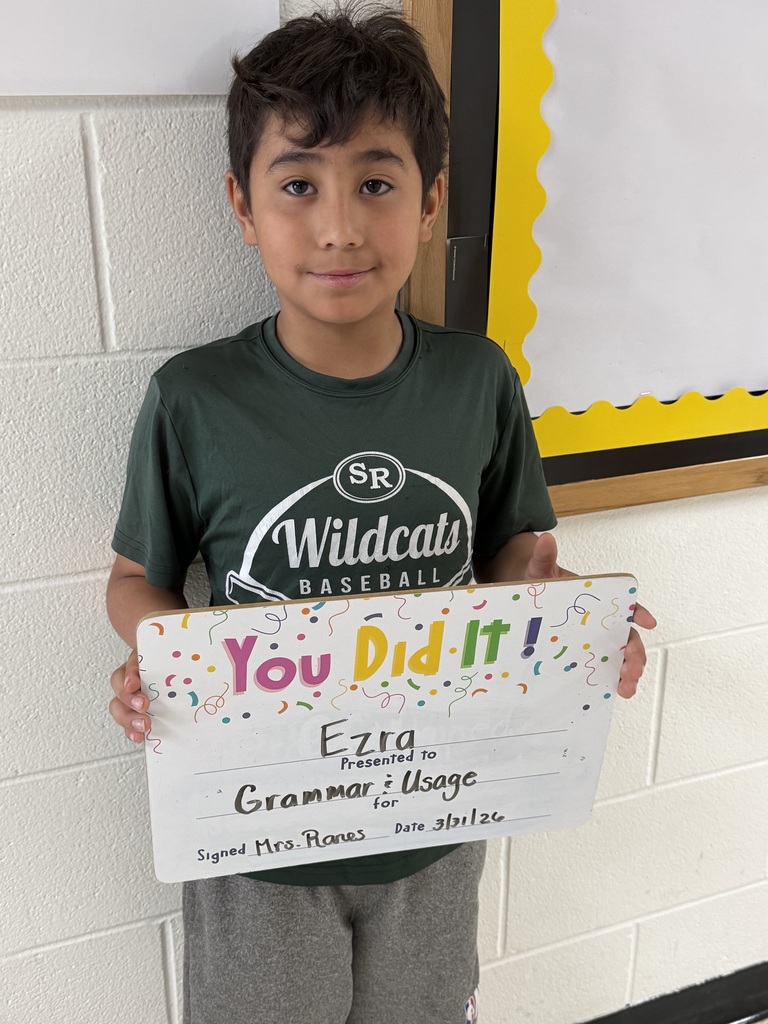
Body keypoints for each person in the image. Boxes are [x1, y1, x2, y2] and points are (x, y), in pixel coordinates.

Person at [107, 8, 655, 1023]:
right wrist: (165, 661)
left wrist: (573, 620)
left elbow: (517, 556)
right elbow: (134, 581)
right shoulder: (195, 398)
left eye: (376, 182)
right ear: (242, 204)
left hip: (433, 815)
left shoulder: (475, 379)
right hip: (258, 828)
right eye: (298, 185)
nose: (339, 227)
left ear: (431, 197)